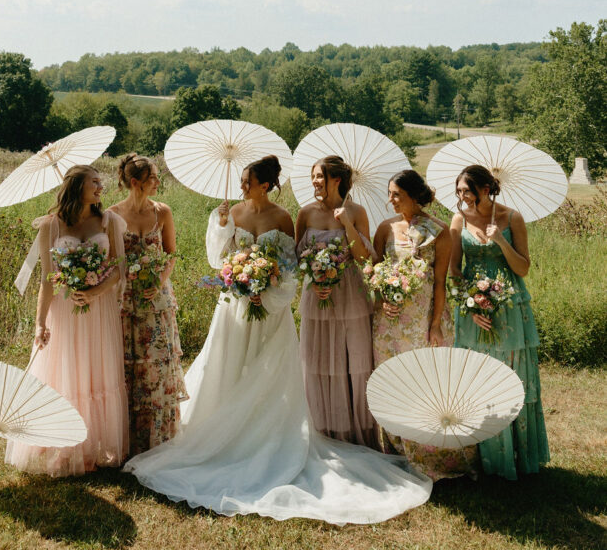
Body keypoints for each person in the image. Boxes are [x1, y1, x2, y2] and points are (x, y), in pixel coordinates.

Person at [124, 154, 432, 523]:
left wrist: (268, 287)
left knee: (280, 370)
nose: (241, 188)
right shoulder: (241, 211)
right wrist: (223, 231)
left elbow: (288, 263)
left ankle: (307, 432)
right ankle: (228, 430)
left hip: (273, 306)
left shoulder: (285, 217)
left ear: (265, 185)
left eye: (247, 181)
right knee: (231, 365)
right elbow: (220, 257)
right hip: (236, 303)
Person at [5, 164, 128, 476]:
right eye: (94, 183)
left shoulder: (109, 220)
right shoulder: (51, 226)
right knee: (68, 373)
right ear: (77, 187)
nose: (101, 187)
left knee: (95, 372)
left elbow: (119, 268)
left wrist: (95, 291)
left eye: (101, 182)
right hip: (64, 309)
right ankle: (66, 448)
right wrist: (40, 322)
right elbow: (47, 278)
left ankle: (94, 447)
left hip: (99, 309)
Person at [372, 169, 476, 480]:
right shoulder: (384, 228)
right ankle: (395, 450)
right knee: (390, 380)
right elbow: (374, 271)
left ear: (415, 197)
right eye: (389, 193)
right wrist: (382, 299)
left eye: (396, 195)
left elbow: (440, 283)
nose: (390, 199)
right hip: (387, 321)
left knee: (421, 384)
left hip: (420, 321)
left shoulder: (439, 231)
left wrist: (435, 325)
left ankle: (428, 455)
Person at [449, 164, 550, 479]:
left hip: (509, 308)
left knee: (510, 374)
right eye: (459, 191)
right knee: (475, 377)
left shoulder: (512, 218)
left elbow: (523, 268)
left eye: (468, 191)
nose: (463, 197)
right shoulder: (459, 220)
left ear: (485, 189)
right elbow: (454, 270)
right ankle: (480, 457)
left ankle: (515, 455)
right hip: (472, 310)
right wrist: (472, 305)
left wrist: (502, 242)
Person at [294, 155, 377, 448]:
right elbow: (297, 257)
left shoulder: (357, 211)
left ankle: (359, 436)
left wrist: (347, 225)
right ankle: (324, 431)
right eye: (313, 176)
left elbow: (366, 259)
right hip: (317, 296)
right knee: (318, 362)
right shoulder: (305, 213)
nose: (315, 182)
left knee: (353, 362)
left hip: (351, 297)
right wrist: (315, 281)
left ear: (336, 180)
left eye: (320, 176)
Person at [109, 153, 187, 456]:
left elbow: (171, 253)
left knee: (157, 363)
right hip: (124, 300)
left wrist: (157, 281)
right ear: (135, 182)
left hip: (157, 299)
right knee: (126, 365)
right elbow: (111, 259)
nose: (157, 181)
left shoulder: (162, 212)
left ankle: (158, 436)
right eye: (153, 177)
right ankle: (126, 436)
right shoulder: (112, 216)